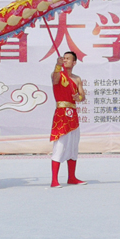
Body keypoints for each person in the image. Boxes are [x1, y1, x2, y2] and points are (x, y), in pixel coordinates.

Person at [50, 51, 86, 187]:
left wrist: (79, 97)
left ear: (74, 62)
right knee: (60, 145)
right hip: (61, 114)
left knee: (73, 146)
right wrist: (57, 66)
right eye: (63, 58)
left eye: (68, 59)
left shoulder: (77, 79)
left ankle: (72, 177)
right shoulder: (58, 74)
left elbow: (82, 95)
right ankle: (54, 180)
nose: (65, 60)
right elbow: (55, 80)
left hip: (73, 115)